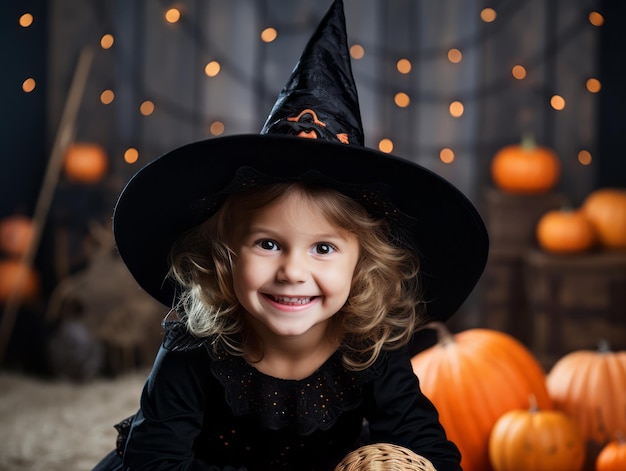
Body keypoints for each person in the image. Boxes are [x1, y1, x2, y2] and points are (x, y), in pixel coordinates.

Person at [93, 1, 488, 470]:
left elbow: (426, 446)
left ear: (362, 264)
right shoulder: (196, 340)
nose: (292, 272)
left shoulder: (370, 345)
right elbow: (155, 460)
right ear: (225, 254)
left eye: (323, 248)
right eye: (267, 243)